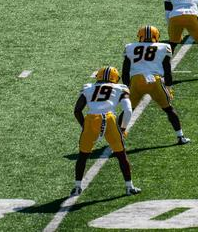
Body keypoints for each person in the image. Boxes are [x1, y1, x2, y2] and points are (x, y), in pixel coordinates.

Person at [71, 66, 140, 197]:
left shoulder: (88, 87)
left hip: (91, 119)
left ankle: (77, 187)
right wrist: (123, 127)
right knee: (121, 154)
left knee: (83, 155)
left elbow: (77, 110)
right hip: (109, 120)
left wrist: (84, 126)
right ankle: (129, 186)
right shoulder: (120, 88)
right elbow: (128, 110)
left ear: (98, 76)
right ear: (115, 78)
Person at [122, 26, 191, 145]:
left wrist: (126, 86)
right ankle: (180, 136)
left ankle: (118, 138)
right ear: (156, 36)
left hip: (136, 80)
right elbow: (167, 70)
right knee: (169, 109)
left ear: (140, 36)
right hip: (155, 80)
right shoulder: (164, 47)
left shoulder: (130, 47)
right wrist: (169, 87)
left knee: (128, 110)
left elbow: (125, 70)